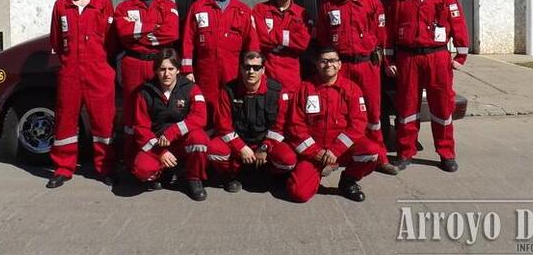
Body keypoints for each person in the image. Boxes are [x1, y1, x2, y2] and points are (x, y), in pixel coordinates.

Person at [384, 0, 470, 173]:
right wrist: (389, 60)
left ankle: (446, 153)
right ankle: (405, 152)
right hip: (408, 58)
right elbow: (388, 32)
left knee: (442, 108)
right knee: (407, 108)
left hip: (437, 57)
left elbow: (458, 24)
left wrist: (461, 55)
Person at [316, 0, 397, 175]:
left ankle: (379, 157)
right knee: (337, 112)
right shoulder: (329, 5)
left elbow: (383, 38)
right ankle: (335, 158)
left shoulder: (374, 4)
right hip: (339, 66)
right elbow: (323, 39)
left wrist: (386, 63)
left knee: (372, 113)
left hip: (367, 65)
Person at [47, 0, 117, 188]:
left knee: (103, 122)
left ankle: (105, 167)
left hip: (98, 72)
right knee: (65, 121)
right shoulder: (61, 5)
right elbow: (56, 40)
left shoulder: (103, 4)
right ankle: (63, 168)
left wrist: (101, 65)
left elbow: (112, 41)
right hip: (70, 73)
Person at [285, 47, 381, 203]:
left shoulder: (352, 89)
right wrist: (315, 152)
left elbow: (358, 124)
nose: (329, 64)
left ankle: (348, 181)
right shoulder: (305, 88)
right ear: (317, 64)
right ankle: (313, 174)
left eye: (333, 60)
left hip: (342, 150)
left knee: (371, 151)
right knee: (298, 193)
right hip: (315, 152)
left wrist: (335, 150)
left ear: (340, 64)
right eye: (323, 61)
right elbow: (296, 126)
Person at [113, 0, 179, 162]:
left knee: (157, 111)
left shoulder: (168, 6)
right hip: (133, 64)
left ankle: (158, 159)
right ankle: (132, 158)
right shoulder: (124, 6)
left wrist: (139, 32)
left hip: (158, 66)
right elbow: (123, 33)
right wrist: (154, 28)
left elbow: (172, 33)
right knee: (133, 114)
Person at [207, 51, 297, 192]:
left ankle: (270, 173)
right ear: (241, 68)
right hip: (238, 143)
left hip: (264, 143)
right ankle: (232, 175)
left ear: (263, 70)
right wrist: (241, 147)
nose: (251, 71)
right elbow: (223, 125)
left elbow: (280, 126)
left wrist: (265, 147)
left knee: (288, 159)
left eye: (256, 68)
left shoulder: (277, 91)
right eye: (247, 67)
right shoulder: (228, 90)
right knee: (213, 150)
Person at [181, 0, 259, 121]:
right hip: (205, 71)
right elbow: (187, 41)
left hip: (232, 71)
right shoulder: (199, 7)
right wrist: (187, 70)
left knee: (229, 109)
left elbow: (252, 47)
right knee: (204, 110)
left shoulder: (243, 10)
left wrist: (252, 72)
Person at [130, 48, 209, 201]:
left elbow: (200, 117)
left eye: (171, 69)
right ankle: (163, 172)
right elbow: (141, 129)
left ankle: (194, 179)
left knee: (200, 140)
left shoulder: (191, 88)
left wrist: (173, 132)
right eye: (162, 69)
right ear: (156, 70)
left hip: (182, 141)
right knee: (141, 170)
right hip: (158, 144)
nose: (167, 74)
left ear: (178, 70)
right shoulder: (145, 93)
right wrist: (161, 152)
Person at [252, 0, 312, 91]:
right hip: (266, 71)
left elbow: (302, 43)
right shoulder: (260, 9)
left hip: (290, 74)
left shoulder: (301, 13)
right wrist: (288, 38)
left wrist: (275, 36)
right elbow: (260, 38)